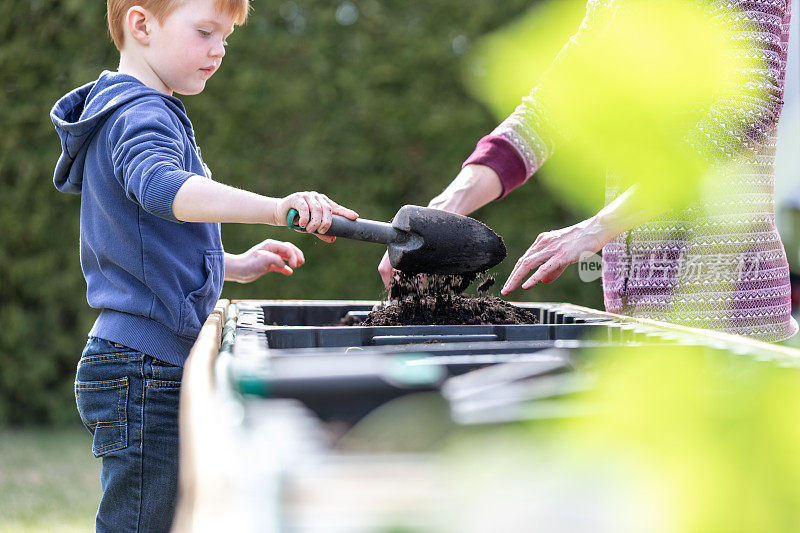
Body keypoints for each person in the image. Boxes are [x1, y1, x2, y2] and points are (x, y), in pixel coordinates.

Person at [50, 0, 358, 530]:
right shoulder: (140, 113)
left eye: (226, 38)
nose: (218, 51)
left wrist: (232, 264)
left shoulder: (127, 108)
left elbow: (147, 246)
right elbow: (165, 192)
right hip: (144, 368)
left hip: (138, 361)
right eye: (205, 32)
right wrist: (276, 208)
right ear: (141, 25)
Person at [379, 0, 798, 342]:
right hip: (634, 326)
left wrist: (597, 228)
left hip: (732, 314)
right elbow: (547, 112)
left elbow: (743, 112)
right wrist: (444, 208)